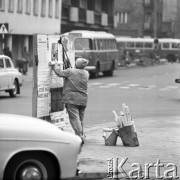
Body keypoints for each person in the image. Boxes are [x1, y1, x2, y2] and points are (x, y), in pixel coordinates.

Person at [49, 57, 89, 144]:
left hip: (72, 99)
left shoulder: (71, 71)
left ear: (76, 64)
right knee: (81, 119)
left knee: (75, 119)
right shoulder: (86, 73)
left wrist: (55, 64)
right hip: (83, 100)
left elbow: (59, 72)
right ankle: (82, 134)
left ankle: (80, 137)